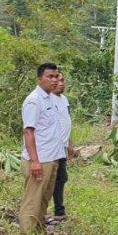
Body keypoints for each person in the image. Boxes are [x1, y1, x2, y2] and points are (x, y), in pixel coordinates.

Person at [18, 62, 67, 235]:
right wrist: (35, 161)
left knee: (44, 198)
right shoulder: (34, 101)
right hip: (40, 159)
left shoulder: (50, 99)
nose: (54, 80)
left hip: (52, 157)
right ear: (39, 79)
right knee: (33, 200)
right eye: (49, 77)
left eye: (56, 76)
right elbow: (28, 131)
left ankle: (39, 231)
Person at [48, 72, 76, 225]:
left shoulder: (64, 100)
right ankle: (42, 213)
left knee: (61, 178)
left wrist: (70, 144)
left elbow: (66, 123)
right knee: (49, 180)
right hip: (51, 148)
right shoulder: (47, 100)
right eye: (57, 81)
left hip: (61, 148)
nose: (61, 83)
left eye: (63, 80)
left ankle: (59, 212)